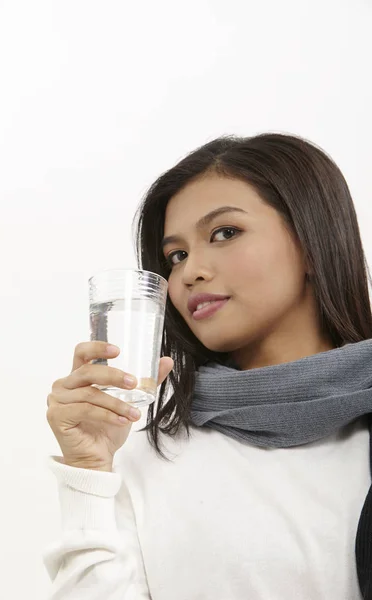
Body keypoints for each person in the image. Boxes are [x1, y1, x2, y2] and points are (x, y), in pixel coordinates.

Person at [44, 133, 372, 599]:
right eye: (175, 256)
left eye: (225, 233)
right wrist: (88, 470)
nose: (188, 272)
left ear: (312, 239)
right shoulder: (150, 458)